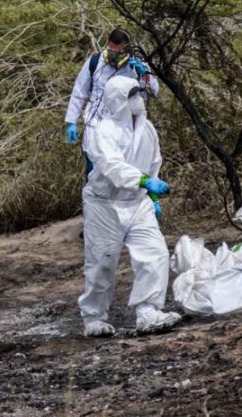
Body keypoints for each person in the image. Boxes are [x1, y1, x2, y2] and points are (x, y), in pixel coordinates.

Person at [79, 76, 180, 337]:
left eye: (138, 93)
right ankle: (94, 318)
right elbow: (112, 167)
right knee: (102, 262)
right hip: (104, 205)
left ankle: (148, 311)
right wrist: (144, 181)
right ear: (118, 100)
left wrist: (153, 195)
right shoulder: (103, 131)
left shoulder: (148, 130)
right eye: (132, 94)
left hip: (138, 202)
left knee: (155, 253)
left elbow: (154, 162)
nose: (138, 99)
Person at [65, 28, 160, 176]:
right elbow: (79, 91)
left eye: (120, 52)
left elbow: (152, 92)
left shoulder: (136, 65)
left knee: (121, 177)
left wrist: (144, 75)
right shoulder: (95, 62)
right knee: (95, 176)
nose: (116, 56)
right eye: (113, 50)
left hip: (123, 131)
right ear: (108, 44)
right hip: (95, 126)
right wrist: (71, 121)